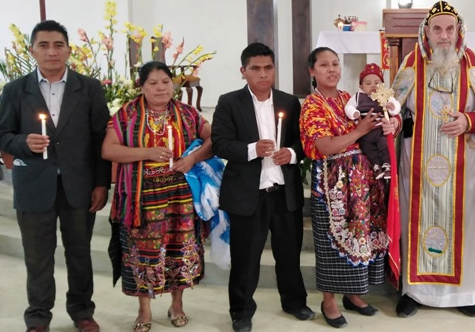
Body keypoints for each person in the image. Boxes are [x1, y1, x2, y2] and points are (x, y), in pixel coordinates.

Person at [0, 20, 110, 332]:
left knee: (80, 254)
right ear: (32, 50)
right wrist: (24, 142)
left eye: (58, 45)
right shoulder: (16, 90)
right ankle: (38, 316)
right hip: (34, 186)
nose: (52, 52)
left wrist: (102, 183)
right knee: (38, 257)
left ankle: (82, 312)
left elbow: (101, 138)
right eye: (43, 45)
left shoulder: (89, 88)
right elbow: (1, 135)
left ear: (69, 50)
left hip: (79, 186)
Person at [391, 0, 475, 318]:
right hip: (417, 164)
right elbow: (394, 109)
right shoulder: (411, 62)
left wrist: (469, 121)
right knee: (416, 219)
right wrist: (391, 121)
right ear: (426, 32)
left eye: (449, 29)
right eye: (437, 29)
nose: (443, 35)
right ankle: (413, 291)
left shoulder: (473, 63)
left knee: (462, 223)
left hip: (462, 164)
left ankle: (463, 293)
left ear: (458, 31)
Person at [102, 61, 212, 332]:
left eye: (165, 82)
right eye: (153, 83)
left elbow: (215, 139)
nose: (161, 88)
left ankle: (177, 304)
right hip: (142, 199)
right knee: (143, 254)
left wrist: (193, 159)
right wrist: (147, 153)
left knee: (180, 250)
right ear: (141, 86)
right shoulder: (126, 115)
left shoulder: (188, 113)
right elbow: (108, 150)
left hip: (181, 197)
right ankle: (144, 309)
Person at [210, 43, 313, 332]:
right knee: (246, 258)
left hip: (283, 193)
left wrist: (290, 153)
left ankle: (294, 302)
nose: (263, 74)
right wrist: (252, 149)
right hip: (248, 194)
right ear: (243, 71)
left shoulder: (289, 102)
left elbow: (302, 141)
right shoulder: (229, 102)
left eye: (268, 68)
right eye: (255, 68)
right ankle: (241, 311)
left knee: (289, 254)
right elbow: (220, 143)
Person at [299, 47, 396, 328]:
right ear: (312, 71)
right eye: (324, 65)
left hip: (362, 184)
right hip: (334, 186)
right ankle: (328, 301)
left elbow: (382, 116)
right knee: (331, 243)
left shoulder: (348, 97)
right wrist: (359, 131)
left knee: (360, 238)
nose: (332, 69)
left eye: (335, 64)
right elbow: (324, 146)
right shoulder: (312, 105)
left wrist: (391, 122)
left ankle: (353, 295)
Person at [344, 63, 401, 180]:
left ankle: (387, 166)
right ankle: (376, 166)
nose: (373, 86)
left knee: (384, 145)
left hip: (380, 130)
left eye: (377, 83)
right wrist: (354, 113)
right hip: (365, 132)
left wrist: (392, 107)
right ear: (361, 86)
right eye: (368, 83)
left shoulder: (385, 96)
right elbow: (348, 107)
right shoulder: (357, 97)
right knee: (366, 147)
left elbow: (397, 105)